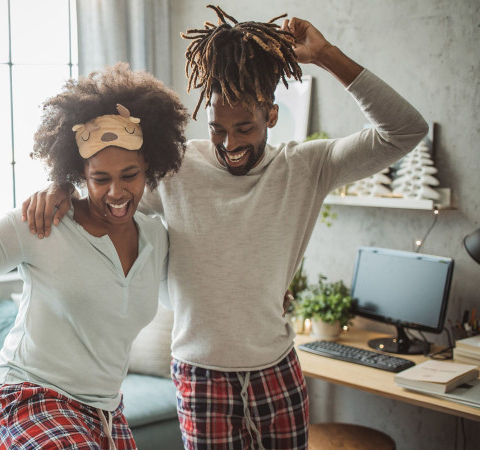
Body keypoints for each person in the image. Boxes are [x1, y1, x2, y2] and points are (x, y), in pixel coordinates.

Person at [22, 6, 429, 449]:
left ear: (271, 115)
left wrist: (327, 56)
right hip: (200, 375)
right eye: (218, 129)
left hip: (277, 368)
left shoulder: (308, 167)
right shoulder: (177, 171)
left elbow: (405, 131)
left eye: (244, 128)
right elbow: (111, 192)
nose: (230, 144)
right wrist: (62, 187)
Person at [0, 63, 189, 450]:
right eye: (100, 179)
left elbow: (184, 298)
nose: (117, 192)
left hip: (105, 414)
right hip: (29, 398)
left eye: (129, 175)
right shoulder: (41, 223)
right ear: (78, 172)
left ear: (148, 165)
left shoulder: (156, 238)